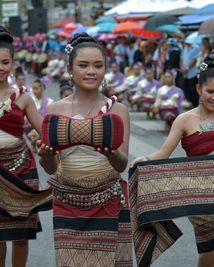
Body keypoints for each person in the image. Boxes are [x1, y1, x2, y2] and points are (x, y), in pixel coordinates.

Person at [131, 51, 214, 267]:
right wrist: (144, 159)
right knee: (212, 246)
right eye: (210, 91)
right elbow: (163, 152)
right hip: (199, 193)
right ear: (198, 89)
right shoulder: (184, 119)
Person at [38, 33, 132, 266]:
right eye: (83, 65)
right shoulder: (55, 111)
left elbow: (122, 164)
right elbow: (51, 169)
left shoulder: (118, 110)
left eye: (98, 65)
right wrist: (46, 157)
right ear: (70, 69)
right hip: (67, 204)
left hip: (108, 201)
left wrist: (111, 154)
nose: (91, 71)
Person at [0, 26, 43, 267]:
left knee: (19, 235)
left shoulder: (23, 97)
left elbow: (45, 129)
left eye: (5, 62)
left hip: (21, 172)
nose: (0, 67)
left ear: (13, 63)